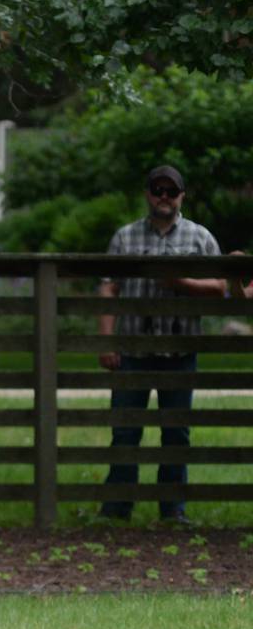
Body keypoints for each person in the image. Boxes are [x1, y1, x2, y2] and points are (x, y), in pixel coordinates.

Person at [97, 165, 224, 524]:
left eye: (172, 191)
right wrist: (106, 340)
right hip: (132, 349)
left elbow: (220, 289)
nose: (164, 197)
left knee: (176, 433)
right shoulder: (124, 237)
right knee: (124, 430)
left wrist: (179, 281)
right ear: (147, 193)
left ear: (182, 195)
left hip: (179, 350)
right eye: (158, 189)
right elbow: (108, 287)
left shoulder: (200, 238)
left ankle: (173, 511)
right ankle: (116, 509)